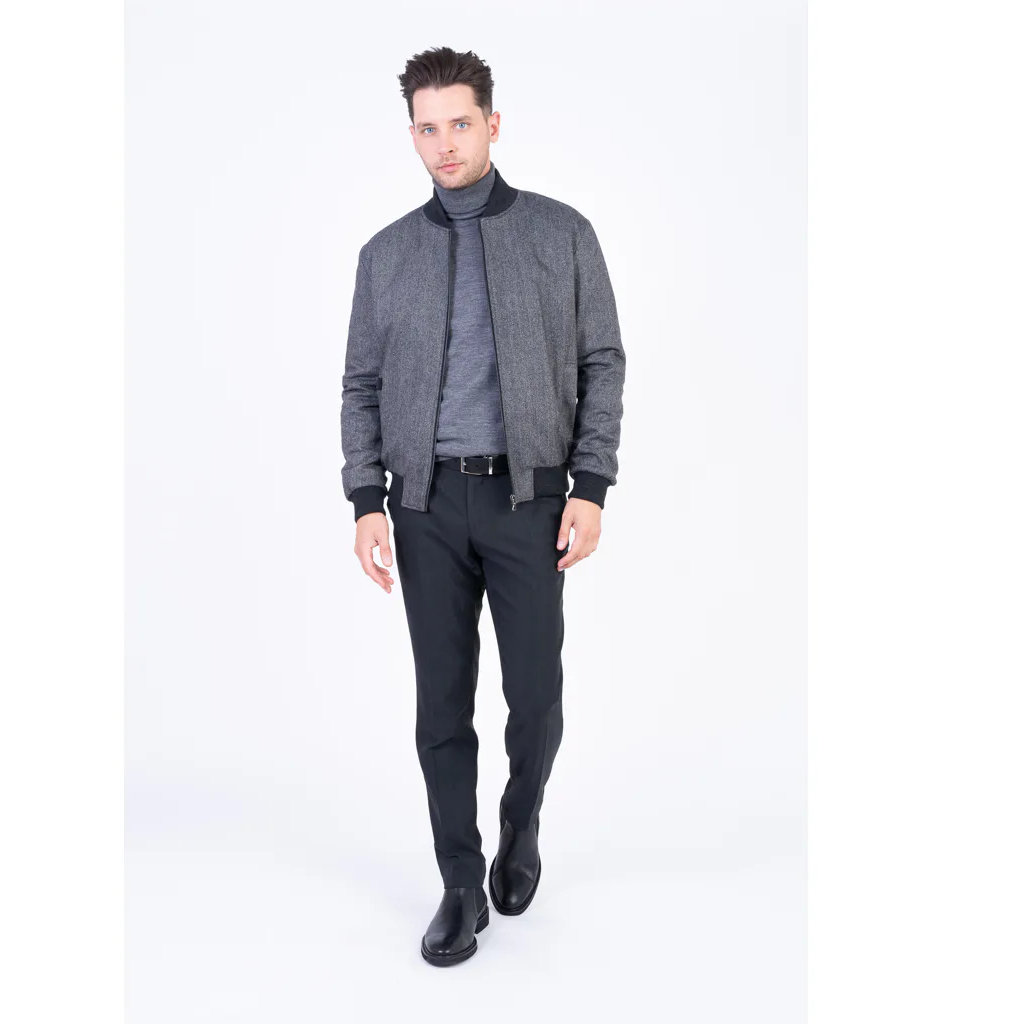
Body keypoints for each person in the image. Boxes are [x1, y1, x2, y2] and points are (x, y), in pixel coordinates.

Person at [337, 46, 627, 967]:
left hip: (527, 500)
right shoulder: (387, 255)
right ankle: (461, 881)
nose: (445, 144)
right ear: (412, 135)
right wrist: (366, 499)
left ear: (492, 124)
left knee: (535, 696)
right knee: (442, 704)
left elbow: (602, 362)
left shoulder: (561, 234)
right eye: (427, 128)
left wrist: (590, 486)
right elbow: (361, 383)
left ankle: (521, 823)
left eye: (460, 123)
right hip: (424, 507)